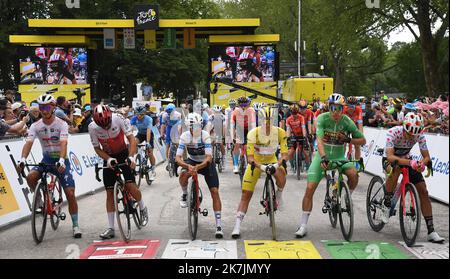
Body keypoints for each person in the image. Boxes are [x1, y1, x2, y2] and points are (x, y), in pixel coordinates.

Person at [296, 93, 366, 238]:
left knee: (353, 174)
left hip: (340, 157)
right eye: (332, 108)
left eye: (339, 109)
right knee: (309, 188)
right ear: (329, 107)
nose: (335, 112)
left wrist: (348, 139)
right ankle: (303, 225)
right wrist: (323, 157)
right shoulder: (322, 118)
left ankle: (347, 196)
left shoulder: (347, 121)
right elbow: (320, 140)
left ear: (343, 109)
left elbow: (363, 140)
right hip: (323, 157)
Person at [17, 94, 82, 238]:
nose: (44, 110)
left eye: (46, 107)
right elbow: (28, 143)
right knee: (31, 177)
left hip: (61, 160)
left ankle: (76, 225)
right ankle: (39, 199)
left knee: (70, 193)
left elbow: (64, 143)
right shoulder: (35, 126)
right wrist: (22, 159)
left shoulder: (61, 124)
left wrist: (61, 159)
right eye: (41, 107)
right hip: (46, 160)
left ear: (53, 107)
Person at [381, 112, 445, 243]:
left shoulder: (419, 134)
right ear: (404, 127)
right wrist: (410, 162)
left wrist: (423, 163)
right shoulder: (393, 132)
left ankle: (431, 231)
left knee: (423, 190)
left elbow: (426, 156)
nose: (412, 136)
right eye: (409, 133)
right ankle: (387, 203)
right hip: (391, 159)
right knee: (396, 169)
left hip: (407, 159)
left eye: (415, 134)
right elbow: (390, 157)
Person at [88, 104, 148, 239]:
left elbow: (132, 139)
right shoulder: (92, 127)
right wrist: (108, 159)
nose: (105, 127)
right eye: (101, 125)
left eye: (107, 123)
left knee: (130, 185)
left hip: (123, 153)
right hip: (108, 156)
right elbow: (97, 148)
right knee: (109, 193)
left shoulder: (119, 118)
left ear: (110, 117)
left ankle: (142, 207)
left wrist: (131, 156)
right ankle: (111, 228)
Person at [231, 106, 288, 238]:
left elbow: (284, 155)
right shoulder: (252, 133)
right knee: (246, 194)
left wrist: (276, 164)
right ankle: (237, 225)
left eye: (269, 120)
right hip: (256, 163)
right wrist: (262, 167)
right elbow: (250, 158)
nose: (267, 124)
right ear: (259, 120)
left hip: (272, 160)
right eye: (264, 120)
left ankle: (278, 195)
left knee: (281, 173)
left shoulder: (280, 132)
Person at [176, 113, 224, 238]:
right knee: (182, 175)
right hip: (192, 161)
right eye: (193, 126)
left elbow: (209, 158)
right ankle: (185, 194)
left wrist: (198, 167)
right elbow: (178, 158)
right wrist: (188, 167)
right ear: (189, 127)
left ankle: (218, 225)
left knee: (214, 191)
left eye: (198, 126)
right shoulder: (184, 136)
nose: (196, 128)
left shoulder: (205, 135)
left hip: (205, 163)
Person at [231, 96, 256, 173]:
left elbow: (253, 124)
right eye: (241, 105)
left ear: (248, 104)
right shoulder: (235, 111)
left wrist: (252, 136)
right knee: (237, 144)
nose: (243, 107)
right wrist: (233, 137)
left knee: (248, 146)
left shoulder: (251, 110)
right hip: (239, 129)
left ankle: (249, 162)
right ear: (238, 105)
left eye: (245, 105)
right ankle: (235, 165)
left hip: (248, 129)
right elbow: (232, 126)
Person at [130, 105, 156, 180]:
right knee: (134, 143)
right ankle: (135, 159)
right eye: (137, 114)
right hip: (140, 134)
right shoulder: (134, 119)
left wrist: (148, 142)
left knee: (150, 152)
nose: (139, 116)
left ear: (144, 114)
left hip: (149, 134)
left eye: (141, 114)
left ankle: (153, 170)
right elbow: (131, 130)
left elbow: (148, 131)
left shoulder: (149, 119)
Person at [286, 104, 308, 172]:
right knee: (290, 152)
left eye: (295, 113)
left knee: (305, 152)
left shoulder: (301, 117)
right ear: (291, 112)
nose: (294, 114)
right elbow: (288, 129)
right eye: (293, 113)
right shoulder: (288, 119)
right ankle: (292, 165)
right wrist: (288, 137)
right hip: (294, 136)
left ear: (298, 112)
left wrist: (304, 137)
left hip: (301, 135)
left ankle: (308, 166)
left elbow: (303, 127)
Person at [343, 96, 364, 164]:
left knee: (357, 145)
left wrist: (361, 135)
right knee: (343, 144)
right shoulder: (343, 109)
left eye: (353, 106)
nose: (351, 108)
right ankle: (341, 158)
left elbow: (360, 123)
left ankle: (357, 162)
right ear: (347, 105)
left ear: (355, 106)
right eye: (350, 106)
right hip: (345, 126)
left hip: (355, 126)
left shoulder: (358, 109)